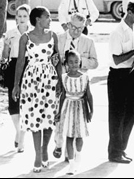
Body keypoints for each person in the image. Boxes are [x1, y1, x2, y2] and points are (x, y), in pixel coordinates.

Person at [12, 6, 62, 173]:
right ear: (38, 19)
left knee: (48, 117)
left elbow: (58, 60)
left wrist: (60, 81)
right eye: (47, 16)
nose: (50, 19)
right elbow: (20, 62)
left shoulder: (53, 36)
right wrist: (16, 85)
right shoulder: (25, 38)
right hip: (31, 80)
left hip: (49, 78)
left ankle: (45, 149)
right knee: (34, 118)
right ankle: (38, 155)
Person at [107, 0, 134, 164]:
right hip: (118, 76)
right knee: (117, 115)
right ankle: (114, 152)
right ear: (129, 12)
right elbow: (117, 59)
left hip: (131, 74)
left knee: (130, 113)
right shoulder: (117, 32)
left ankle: (121, 148)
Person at [53, 12, 98, 160]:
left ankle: (70, 154)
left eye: (80, 28)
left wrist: (78, 62)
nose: (76, 31)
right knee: (59, 116)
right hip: (61, 83)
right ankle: (59, 144)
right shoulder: (58, 39)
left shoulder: (88, 42)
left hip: (78, 87)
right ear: (68, 24)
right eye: (73, 27)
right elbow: (52, 59)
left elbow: (95, 62)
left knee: (75, 121)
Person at [56, 50, 93, 175]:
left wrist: (90, 110)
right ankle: (71, 164)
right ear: (66, 64)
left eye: (76, 62)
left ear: (80, 62)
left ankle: (79, 156)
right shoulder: (64, 77)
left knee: (79, 136)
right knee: (69, 136)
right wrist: (59, 111)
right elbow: (62, 96)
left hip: (81, 108)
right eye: (71, 62)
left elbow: (88, 95)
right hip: (68, 108)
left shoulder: (84, 78)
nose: (74, 65)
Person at [1, 4, 31, 153]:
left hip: (29, 66)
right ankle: (18, 131)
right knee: (13, 101)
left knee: (26, 102)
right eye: (19, 16)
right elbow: (4, 56)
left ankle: (22, 138)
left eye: (24, 16)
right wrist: (6, 45)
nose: (21, 19)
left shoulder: (33, 33)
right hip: (13, 66)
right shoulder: (10, 32)